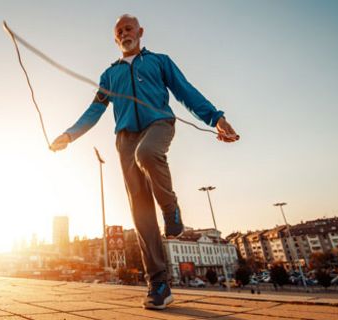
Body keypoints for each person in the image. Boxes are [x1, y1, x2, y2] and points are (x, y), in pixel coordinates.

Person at [50, 14, 239, 310]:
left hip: (159, 125)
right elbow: (93, 111)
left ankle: (170, 207)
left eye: (129, 28)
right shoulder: (109, 75)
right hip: (125, 138)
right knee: (139, 209)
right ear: (115, 39)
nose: (125, 33)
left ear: (140, 31)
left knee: (147, 154)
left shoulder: (160, 61)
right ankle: (159, 283)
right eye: (119, 31)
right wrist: (69, 135)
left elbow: (185, 91)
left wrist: (216, 118)